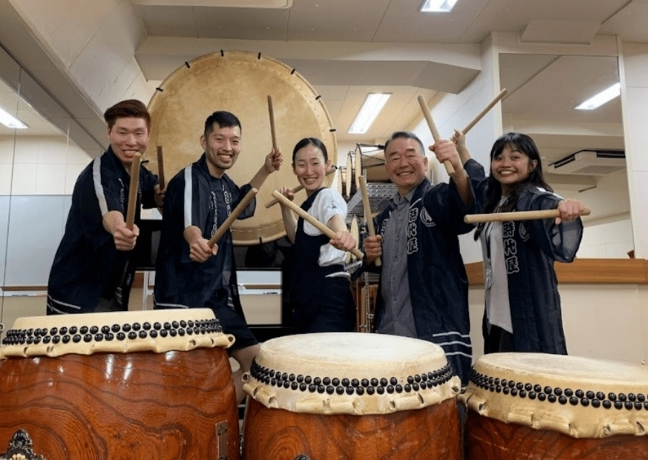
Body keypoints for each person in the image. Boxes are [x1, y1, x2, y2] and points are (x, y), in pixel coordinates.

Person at [153, 111, 282, 401]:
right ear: (204, 141)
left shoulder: (224, 185)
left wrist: (265, 170)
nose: (227, 147)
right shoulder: (190, 178)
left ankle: (211, 414)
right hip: (183, 298)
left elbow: (242, 205)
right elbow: (191, 225)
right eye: (219, 139)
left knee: (258, 363)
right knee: (188, 380)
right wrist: (196, 241)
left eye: (234, 140)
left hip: (215, 299)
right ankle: (199, 419)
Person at [362, 131, 481, 383]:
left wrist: (457, 167)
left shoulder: (435, 197)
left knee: (441, 404)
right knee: (394, 403)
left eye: (410, 155)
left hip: (435, 333)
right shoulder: (384, 218)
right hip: (390, 333)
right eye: (394, 158)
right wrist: (369, 256)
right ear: (387, 167)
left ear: (425, 163)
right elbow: (377, 270)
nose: (403, 163)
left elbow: (464, 210)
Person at [453, 130, 584, 355]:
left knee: (532, 374)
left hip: (528, 316)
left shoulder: (533, 197)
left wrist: (566, 207)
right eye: (499, 158)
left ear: (532, 165)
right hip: (495, 316)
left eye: (515, 157)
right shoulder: (492, 197)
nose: (505, 164)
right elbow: (475, 176)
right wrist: (461, 147)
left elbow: (550, 204)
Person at [47, 99, 163, 315]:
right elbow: (110, 213)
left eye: (138, 133)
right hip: (78, 291)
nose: (131, 141)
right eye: (122, 132)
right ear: (109, 132)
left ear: (148, 135)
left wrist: (161, 195)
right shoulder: (98, 173)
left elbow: (153, 189)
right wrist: (119, 229)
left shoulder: (138, 171)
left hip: (113, 287)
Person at [277, 137, 357, 333]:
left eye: (315, 163)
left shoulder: (326, 196)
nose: (309, 171)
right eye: (302, 165)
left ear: (327, 165)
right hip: (310, 297)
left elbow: (334, 218)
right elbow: (297, 239)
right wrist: (286, 206)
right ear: (294, 168)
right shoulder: (310, 205)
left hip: (328, 299)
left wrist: (342, 233)